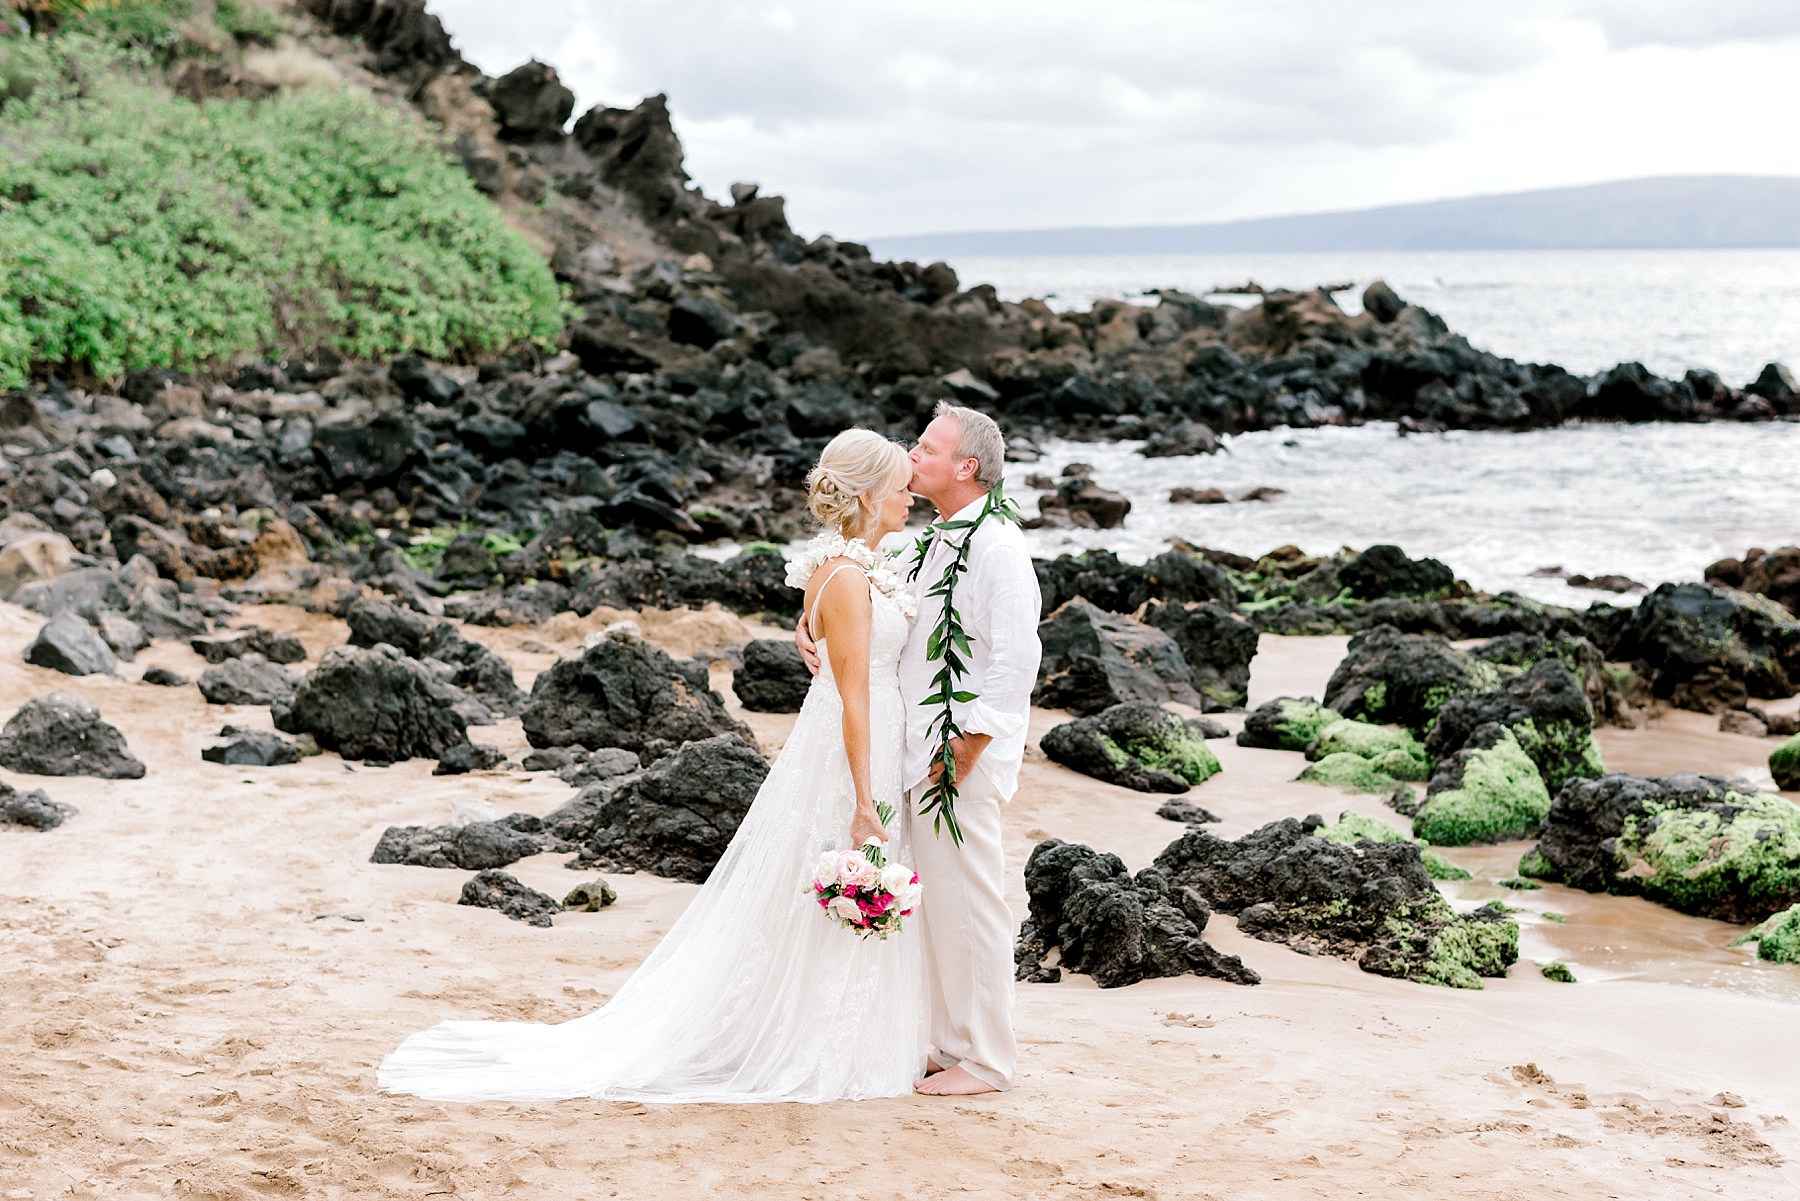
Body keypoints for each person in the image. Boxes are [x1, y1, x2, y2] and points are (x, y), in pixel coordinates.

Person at [378, 429, 927, 1103]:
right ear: (870, 496)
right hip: (853, 745)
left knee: (824, 887)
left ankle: (842, 1031)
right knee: (843, 871)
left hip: (866, 733)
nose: (911, 496)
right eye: (901, 486)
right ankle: (818, 1044)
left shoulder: (854, 563)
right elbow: (854, 692)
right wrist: (865, 796)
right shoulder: (845, 577)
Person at [798, 402, 1042, 1096]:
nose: (913, 453)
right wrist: (808, 620)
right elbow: (853, 586)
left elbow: (1016, 661)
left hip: (955, 756)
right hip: (910, 748)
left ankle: (986, 1058)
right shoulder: (921, 540)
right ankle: (951, 1041)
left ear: (966, 467)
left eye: (928, 447)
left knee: (972, 901)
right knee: (938, 904)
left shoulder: (997, 547)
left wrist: (966, 748)